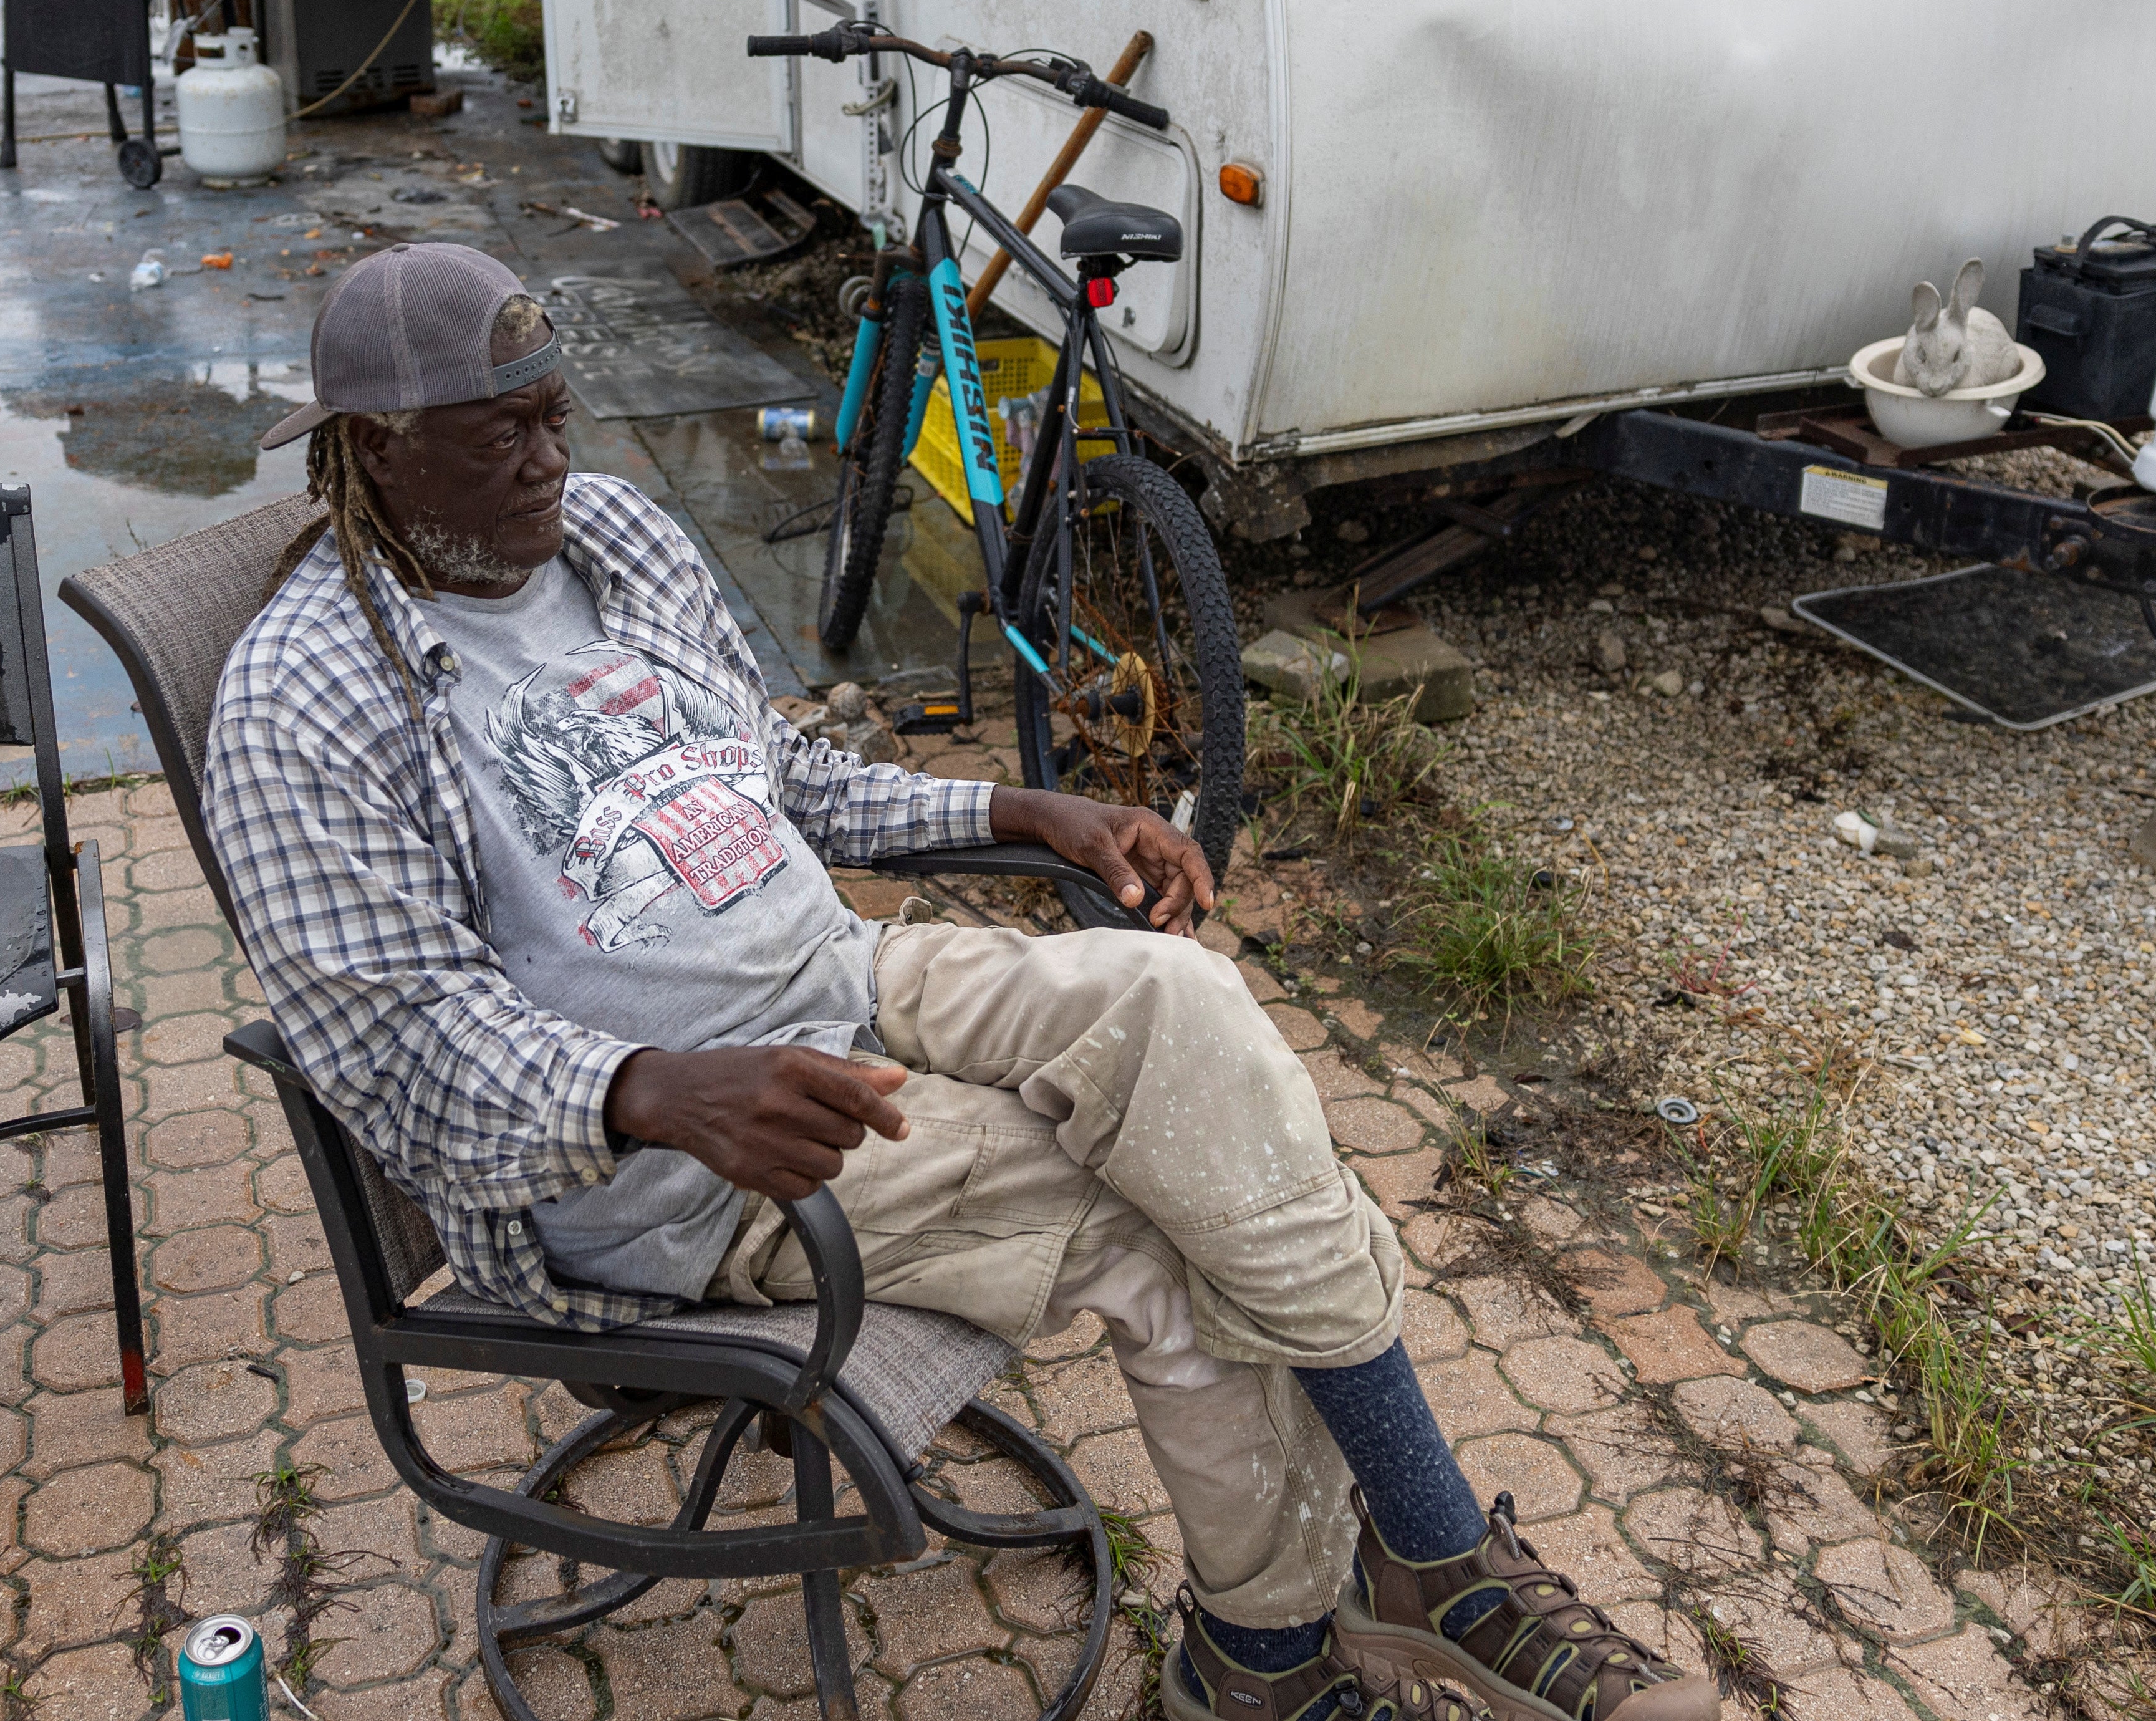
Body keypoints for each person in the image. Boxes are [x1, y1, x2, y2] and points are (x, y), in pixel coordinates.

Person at [204, 243, 1707, 1721]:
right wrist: (648, 1090)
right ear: (378, 452)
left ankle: (1425, 1554)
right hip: (688, 1162)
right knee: (1168, 1216)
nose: (550, 460)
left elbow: (776, 771)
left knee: (1181, 1011)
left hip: (844, 974)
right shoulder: (306, 692)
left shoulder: (610, 535)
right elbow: (392, 1044)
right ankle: (1277, 1652)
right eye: (499, 434)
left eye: (556, 411)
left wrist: (1021, 809)